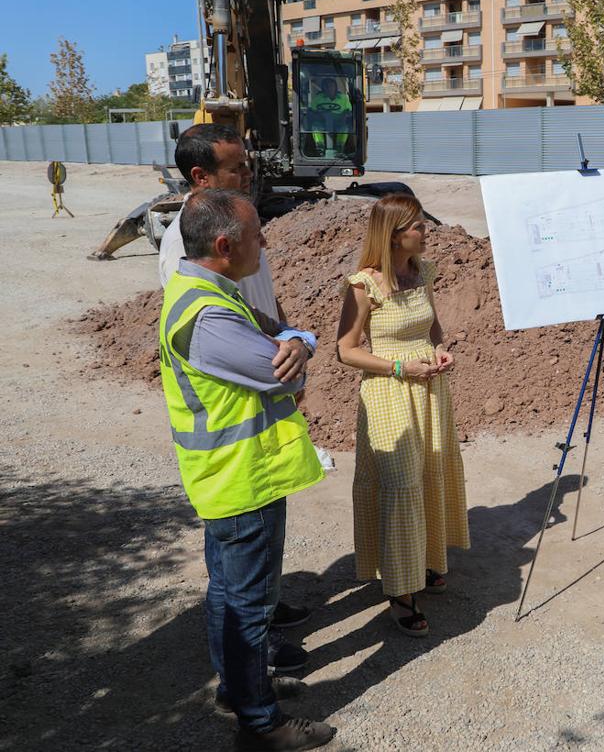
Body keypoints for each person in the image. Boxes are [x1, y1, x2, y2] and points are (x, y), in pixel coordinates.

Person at [159, 189, 335, 751]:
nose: (265, 240)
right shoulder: (208, 316)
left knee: (228, 597)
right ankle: (262, 722)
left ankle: (238, 687)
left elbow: (284, 334)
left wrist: (300, 339)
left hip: (231, 476)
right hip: (242, 479)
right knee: (248, 606)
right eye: (257, 232)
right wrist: (298, 351)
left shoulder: (203, 290)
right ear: (223, 244)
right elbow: (286, 372)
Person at [158, 122, 313, 675]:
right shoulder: (194, 246)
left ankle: (257, 635)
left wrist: (293, 335)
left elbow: (262, 318)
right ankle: (252, 690)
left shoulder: (233, 226)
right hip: (237, 458)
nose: (249, 172)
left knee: (241, 576)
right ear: (201, 176)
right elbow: (273, 370)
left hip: (250, 424)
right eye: (236, 167)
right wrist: (289, 352)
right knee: (237, 583)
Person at [335, 193, 469, 635]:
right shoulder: (364, 284)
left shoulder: (423, 272)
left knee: (429, 473)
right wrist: (399, 366)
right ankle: (400, 588)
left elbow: (431, 328)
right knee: (401, 486)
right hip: (389, 392)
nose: (426, 231)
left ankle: (423, 562)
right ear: (393, 236)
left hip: (430, 389)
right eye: (418, 226)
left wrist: (440, 351)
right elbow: (346, 350)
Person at [309, 77, 351, 155]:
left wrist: (343, 116)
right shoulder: (317, 99)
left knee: (344, 128)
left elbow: (348, 111)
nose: (329, 88)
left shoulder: (344, 98)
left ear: (335, 87)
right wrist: (318, 116)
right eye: (326, 86)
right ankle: (320, 147)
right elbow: (312, 112)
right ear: (323, 88)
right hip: (322, 122)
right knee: (315, 127)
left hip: (339, 122)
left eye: (331, 86)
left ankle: (340, 148)